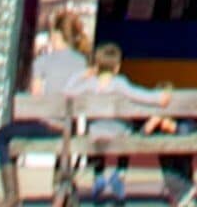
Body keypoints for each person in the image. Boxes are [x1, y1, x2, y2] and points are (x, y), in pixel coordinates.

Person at [0, 8, 95, 207]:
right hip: (70, 130)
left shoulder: (42, 61)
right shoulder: (83, 63)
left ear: (57, 35)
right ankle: (61, 184)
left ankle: (12, 195)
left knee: (1, 136)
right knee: (66, 137)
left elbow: (36, 102)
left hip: (49, 127)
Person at [75, 44, 184, 206]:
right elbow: (139, 95)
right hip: (119, 133)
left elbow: (68, 90)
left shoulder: (90, 84)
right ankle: (120, 173)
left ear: (96, 66)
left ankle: (98, 175)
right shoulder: (120, 83)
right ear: (117, 67)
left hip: (95, 133)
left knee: (95, 132)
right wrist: (159, 97)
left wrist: (83, 75)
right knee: (129, 130)